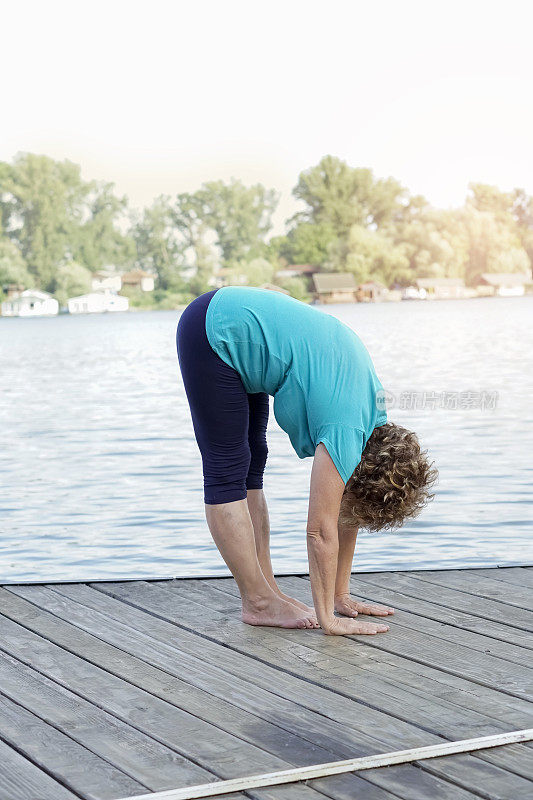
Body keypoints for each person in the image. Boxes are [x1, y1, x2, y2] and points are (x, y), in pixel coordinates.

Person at [176, 286, 437, 636]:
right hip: (213, 332)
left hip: (240, 329)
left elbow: (347, 511)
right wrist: (327, 619)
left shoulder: (374, 415)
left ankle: (266, 591)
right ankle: (257, 601)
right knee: (227, 469)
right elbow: (320, 531)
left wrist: (338, 596)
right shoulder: (345, 428)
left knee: (252, 463)